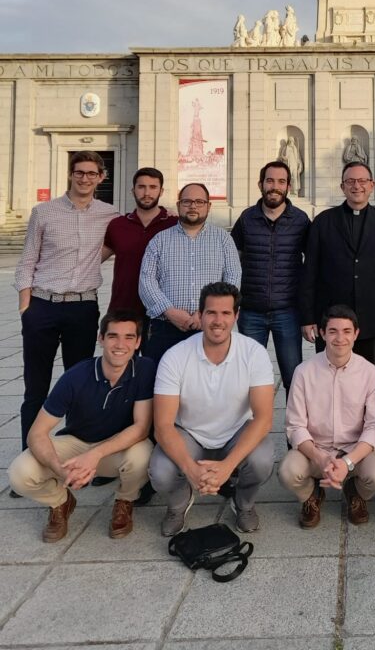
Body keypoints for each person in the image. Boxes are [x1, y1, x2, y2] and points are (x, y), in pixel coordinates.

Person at [9, 311, 154, 542]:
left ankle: (125, 501)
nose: (120, 344)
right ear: (101, 338)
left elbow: (141, 428)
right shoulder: (75, 376)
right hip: (76, 443)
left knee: (144, 454)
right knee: (19, 473)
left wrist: (95, 455)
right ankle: (61, 502)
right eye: (113, 336)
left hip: (114, 448)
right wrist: (61, 469)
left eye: (129, 337)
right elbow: (36, 433)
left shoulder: (145, 370)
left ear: (138, 342)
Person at [149, 282, 275, 536]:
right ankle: (178, 504)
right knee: (160, 470)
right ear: (200, 314)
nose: (218, 320)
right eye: (211, 313)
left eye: (226, 313)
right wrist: (191, 470)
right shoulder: (175, 356)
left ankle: (243, 504)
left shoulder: (254, 353)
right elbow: (162, 426)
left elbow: (263, 419)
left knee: (262, 460)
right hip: (191, 433)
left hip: (235, 432)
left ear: (236, 316)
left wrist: (228, 466)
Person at [15, 151, 118, 448]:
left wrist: (93, 260)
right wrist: (26, 306)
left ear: (101, 177)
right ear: (71, 175)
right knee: (36, 387)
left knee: (81, 383)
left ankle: (78, 448)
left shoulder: (108, 214)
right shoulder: (44, 212)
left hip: (83, 308)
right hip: (42, 306)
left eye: (91, 173)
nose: (85, 178)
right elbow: (27, 261)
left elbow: (121, 242)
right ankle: (30, 454)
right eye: (79, 172)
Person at [279, 306, 375, 527]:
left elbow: (374, 426)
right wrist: (320, 458)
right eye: (332, 331)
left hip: (353, 449)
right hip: (316, 449)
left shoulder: (368, 372)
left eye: (347, 331)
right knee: (287, 472)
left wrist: (347, 462)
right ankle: (311, 495)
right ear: (322, 333)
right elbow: (295, 426)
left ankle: (355, 492)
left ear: (356, 334)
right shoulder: (303, 372)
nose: (340, 338)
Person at [300, 162, 375, 366]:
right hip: (331, 318)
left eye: (362, 181)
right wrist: (307, 318)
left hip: (370, 316)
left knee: (367, 376)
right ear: (342, 187)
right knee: (328, 374)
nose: (356, 186)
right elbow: (309, 272)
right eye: (350, 181)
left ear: (372, 185)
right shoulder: (323, 222)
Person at [138, 183, 241, 363]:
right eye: (187, 202)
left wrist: (205, 313)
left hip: (210, 328)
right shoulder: (160, 240)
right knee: (162, 384)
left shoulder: (223, 239)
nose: (193, 206)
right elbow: (146, 281)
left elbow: (232, 279)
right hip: (165, 328)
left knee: (207, 384)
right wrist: (169, 311)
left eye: (199, 202)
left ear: (208, 206)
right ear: (178, 205)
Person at [231, 161, 309, 392]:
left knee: (293, 378)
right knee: (249, 379)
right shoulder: (246, 219)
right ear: (261, 184)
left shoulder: (300, 220)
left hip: (288, 311)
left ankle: (295, 428)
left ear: (288, 186)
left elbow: (312, 263)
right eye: (270, 180)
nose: (275, 186)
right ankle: (252, 427)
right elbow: (232, 259)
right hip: (251, 311)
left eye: (281, 181)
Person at [102, 167, 177, 328]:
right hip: (123, 307)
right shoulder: (118, 225)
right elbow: (94, 259)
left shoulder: (174, 224)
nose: (147, 193)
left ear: (161, 191)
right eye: (141, 187)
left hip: (162, 310)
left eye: (153, 187)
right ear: (133, 190)